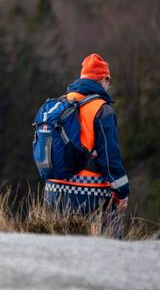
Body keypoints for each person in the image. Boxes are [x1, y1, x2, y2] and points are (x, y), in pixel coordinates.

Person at [43, 53, 131, 233]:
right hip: (89, 193)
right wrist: (122, 191)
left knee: (61, 245)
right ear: (104, 79)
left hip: (52, 190)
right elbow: (110, 158)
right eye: (109, 81)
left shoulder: (61, 103)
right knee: (111, 244)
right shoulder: (102, 109)